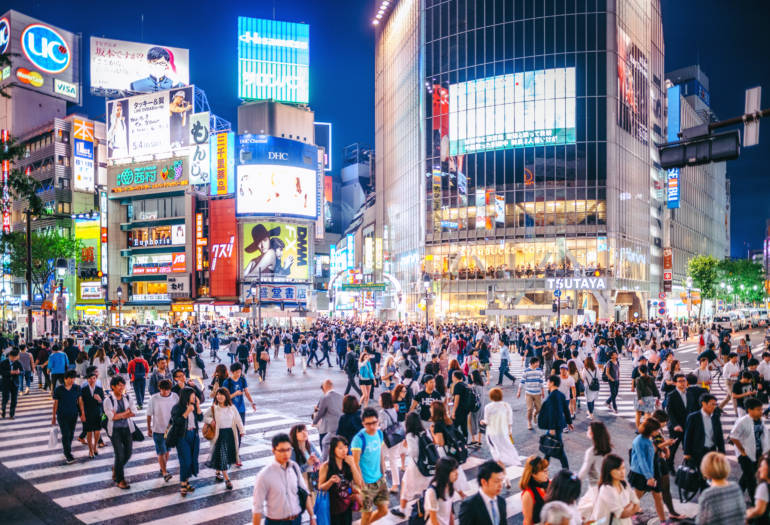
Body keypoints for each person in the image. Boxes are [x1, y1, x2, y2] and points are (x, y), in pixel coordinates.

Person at [251, 432, 317, 525]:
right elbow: (257, 507)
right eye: (281, 450)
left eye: (288, 449)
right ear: (273, 450)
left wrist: (312, 516)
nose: (286, 454)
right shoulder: (264, 475)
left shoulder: (294, 467)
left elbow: (305, 493)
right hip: (276, 522)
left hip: (296, 520)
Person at [351, 407, 388, 525]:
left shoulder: (379, 433)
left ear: (378, 421)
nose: (372, 426)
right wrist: (360, 485)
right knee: (366, 515)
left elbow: (381, 453)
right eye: (368, 424)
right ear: (363, 424)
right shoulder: (358, 439)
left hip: (380, 480)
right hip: (365, 483)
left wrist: (384, 471)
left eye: (374, 423)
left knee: (384, 511)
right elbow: (355, 463)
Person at [729, 397, 770, 503]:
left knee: (747, 475)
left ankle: (735, 495)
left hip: (758, 453)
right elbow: (733, 436)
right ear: (749, 410)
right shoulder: (743, 421)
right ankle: (754, 503)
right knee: (751, 479)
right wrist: (742, 451)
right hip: (745, 455)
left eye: (761, 409)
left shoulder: (759, 420)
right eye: (758, 409)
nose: (761, 411)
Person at [205, 387, 245, 490]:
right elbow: (205, 417)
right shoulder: (214, 408)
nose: (219, 397)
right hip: (219, 435)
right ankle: (227, 480)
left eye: (221, 395)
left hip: (230, 434)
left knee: (225, 455)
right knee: (222, 456)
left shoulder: (232, 408)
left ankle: (218, 472)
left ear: (226, 396)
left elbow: (238, 420)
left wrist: (242, 430)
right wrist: (210, 421)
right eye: (218, 395)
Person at [392, 412, 431, 518]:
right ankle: (425, 507)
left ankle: (402, 510)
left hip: (416, 467)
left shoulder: (410, 435)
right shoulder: (425, 432)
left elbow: (413, 452)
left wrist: (406, 445)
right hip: (426, 465)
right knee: (426, 488)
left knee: (406, 488)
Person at [318, 435, 364, 525]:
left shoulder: (348, 463)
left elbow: (359, 483)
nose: (344, 451)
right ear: (333, 450)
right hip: (332, 509)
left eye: (346, 447)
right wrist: (330, 481)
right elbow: (320, 487)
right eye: (340, 448)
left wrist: (353, 465)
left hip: (346, 506)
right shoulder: (326, 466)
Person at [103, 375, 138, 489]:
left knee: (128, 453)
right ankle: (120, 480)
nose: (122, 388)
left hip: (127, 428)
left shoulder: (127, 397)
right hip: (114, 430)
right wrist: (125, 414)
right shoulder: (108, 400)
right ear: (113, 386)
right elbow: (111, 417)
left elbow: (134, 412)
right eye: (119, 385)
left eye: (123, 385)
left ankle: (116, 468)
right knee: (119, 454)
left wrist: (120, 415)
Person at [629, 417, 666, 522]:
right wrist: (649, 477)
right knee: (635, 499)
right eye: (656, 430)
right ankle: (624, 518)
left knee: (658, 496)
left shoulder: (650, 438)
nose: (658, 432)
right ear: (650, 430)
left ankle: (663, 521)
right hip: (641, 474)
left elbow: (651, 454)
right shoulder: (639, 441)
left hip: (653, 470)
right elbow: (642, 460)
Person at [697, 451, 746, 525]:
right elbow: (742, 514)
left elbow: (701, 522)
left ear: (706, 470)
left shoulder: (707, 495)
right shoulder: (736, 487)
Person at [591, 454, 641, 525]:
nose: (622, 472)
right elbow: (621, 514)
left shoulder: (624, 483)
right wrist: (631, 507)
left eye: (623, 468)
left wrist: (628, 508)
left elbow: (636, 501)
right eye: (618, 469)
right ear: (609, 470)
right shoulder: (606, 489)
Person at [170, 386, 202, 496]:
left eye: (194, 395)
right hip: (182, 437)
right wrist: (187, 412)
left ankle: (187, 481)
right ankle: (183, 483)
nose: (194, 397)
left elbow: (200, 418)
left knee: (192, 460)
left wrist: (197, 407)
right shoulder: (177, 408)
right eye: (192, 395)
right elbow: (177, 422)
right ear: (186, 396)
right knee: (185, 461)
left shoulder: (193, 406)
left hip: (194, 435)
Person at [482, 387, 521, 474]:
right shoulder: (506, 406)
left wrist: (482, 422)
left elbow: (487, 421)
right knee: (505, 450)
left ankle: (504, 474)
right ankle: (504, 472)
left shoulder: (488, 407)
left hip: (492, 433)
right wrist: (510, 431)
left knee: (496, 452)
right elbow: (510, 421)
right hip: (503, 432)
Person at [683, 393, 725, 472]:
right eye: (712, 404)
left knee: (711, 473)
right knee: (699, 474)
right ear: (703, 403)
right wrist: (686, 453)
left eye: (715, 404)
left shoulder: (715, 417)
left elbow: (719, 435)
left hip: (712, 450)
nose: (714, 407)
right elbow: (688, 435)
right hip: (698, 451)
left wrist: (722, 451)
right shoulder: (693, 417)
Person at [146, 378, 178, 481]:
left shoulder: (175, 397)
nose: (166, 392)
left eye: (168, 389)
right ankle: (164, 472)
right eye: (164, 389)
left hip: (171, 430)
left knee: (167, 451)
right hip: (158, 429)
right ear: (159, 388)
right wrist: (149, 428)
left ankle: (162, 468)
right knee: (161, 451)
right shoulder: (154, 398)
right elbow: (149, 414)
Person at [539, 375, 573, 468]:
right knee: (549, 446)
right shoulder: (560, 395)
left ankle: (565, 469)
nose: (547, 383)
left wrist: (552, 428)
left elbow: (553, 413)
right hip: (558, 425)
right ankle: (545, 467)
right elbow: (566, 410)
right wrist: (569, 422)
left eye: (548, 381)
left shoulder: (552, 397)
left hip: (555, 426)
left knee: (557, 448)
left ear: (552, 383)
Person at [458, 459, 507, 525]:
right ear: (484, 482)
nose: (500, 485)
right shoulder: (469, 506)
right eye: (496, 481)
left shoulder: (501, 502)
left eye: (501, 480)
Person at [51, 370, 84, 464]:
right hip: (62, 415)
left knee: (71, 433)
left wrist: (82, 413)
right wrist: (53, 416)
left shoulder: (77, 388)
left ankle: (67, 448)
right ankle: (68, 454)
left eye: (73, 378)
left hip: (73, 414)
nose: (72, 380)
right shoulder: (58, 389)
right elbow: (55, 403)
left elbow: (80, 401)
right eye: (70, 378)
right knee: (65, 434)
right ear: (65, 379)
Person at [377, 392, 401, 494]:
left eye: (380, 398)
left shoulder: (382, 412)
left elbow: (383, 427)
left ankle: (382, 482)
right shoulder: (393, 409)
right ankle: (395, 485)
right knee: (393, 460)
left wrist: (376, 427)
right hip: (396, 438)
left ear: (383, 400)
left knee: (380, 458)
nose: (378, 400)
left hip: (387, 439)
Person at [425, 456, 459, 525]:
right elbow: (433, 521)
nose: (457, 473)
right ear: (444, 473)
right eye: (453, 471)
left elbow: (450, 511)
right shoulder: (432, 491)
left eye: (456, 469)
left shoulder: (450, 485)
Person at [80, 369, 105, 459]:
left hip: (97, 412)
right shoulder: (84, 389)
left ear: (96, 379)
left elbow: (104, 401)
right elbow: (81, 402)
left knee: (97, 431)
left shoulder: (99, 389)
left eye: (94, 378)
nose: (92, 380)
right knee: (89, 432)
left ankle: (95, 447)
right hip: (87, 412)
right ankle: (90, 450)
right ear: (87, 380)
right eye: (90, 379)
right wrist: (82, 413)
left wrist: (99, 400)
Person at [222, 363, 257, 427]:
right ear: (232, 372)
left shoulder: (242, 380)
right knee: (232, 431)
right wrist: (235, 394)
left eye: (240, 372)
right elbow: (223, 398)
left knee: (241, 429)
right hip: (230, 410)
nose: (238, 374)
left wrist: (252, 402)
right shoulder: (227, 382)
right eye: (237, 372)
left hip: (241, 409)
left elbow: (247, 393)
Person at [519, 455, 550, 525]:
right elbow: (528, 522)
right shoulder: (528, 494)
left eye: (547, 470)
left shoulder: (548, 484)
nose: (547, 474)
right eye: (544, 471)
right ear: (533, 474)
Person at [313, 379, 343, 448]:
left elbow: (320, 413)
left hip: (328, 427)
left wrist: (314, 422)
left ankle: (324, 458)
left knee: (323, 443)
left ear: (324, 387)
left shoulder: (324, 397)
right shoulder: (340, 396)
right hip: (340, 425)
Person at [517, 357, 544, 430]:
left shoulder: (539, 370)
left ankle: (534, 414)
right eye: (537, 362)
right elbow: (522, 381)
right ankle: (529, 422)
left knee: (539, 409)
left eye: (538, 362)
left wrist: (543, 391)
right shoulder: (526, 371)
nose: (538, 364)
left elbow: (541, 381)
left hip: (537, 393)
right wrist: (519, 391)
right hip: (528, 392)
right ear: (532, 363)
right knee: (529, 408)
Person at [745, 453, 770, 523]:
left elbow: (759, 510)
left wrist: (747, 515)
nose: (759, 469)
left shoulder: (764, 487)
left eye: (762, 466)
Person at [1, 348, 23, 418]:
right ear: (10, 356)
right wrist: (10, 372)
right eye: (13, 357)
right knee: (6, 398)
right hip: (5, 383)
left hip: (15, 383)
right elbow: (1, 372)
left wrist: (19, 372)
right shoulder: (3, 362)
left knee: (14, 399)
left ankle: (11, 414)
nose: (14, 359)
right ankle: (3, 410)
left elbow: (23, 371)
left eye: (15, 357)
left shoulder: (18, 363)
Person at [581, 355, 600, 419]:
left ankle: (591, 414)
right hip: (596, 386)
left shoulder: (585, 369)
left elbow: (583, 378)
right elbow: (599, 377)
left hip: (588, 387)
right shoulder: (596, 368)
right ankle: (590, 411)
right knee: (593, 400)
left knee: (589, 401)